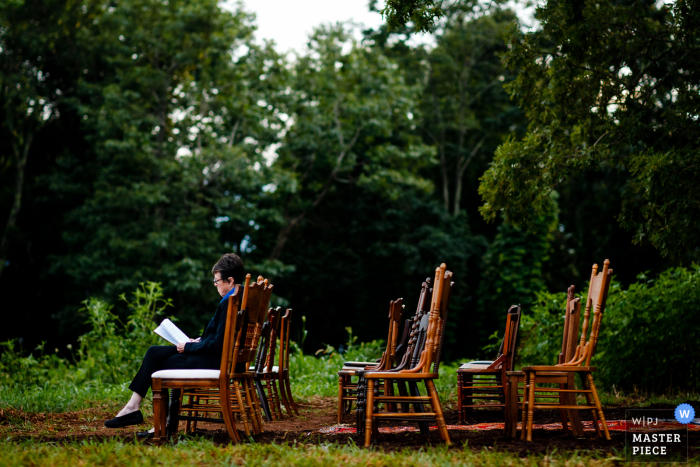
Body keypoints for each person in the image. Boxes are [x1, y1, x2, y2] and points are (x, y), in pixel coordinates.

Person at [104, 253, 245, 435]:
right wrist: (198, 341)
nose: (215, 285)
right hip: (218, 358)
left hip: (215, 361)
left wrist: (188, 347)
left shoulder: (230, 302)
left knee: (160, 365)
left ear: (230, 280)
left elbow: (219, 345)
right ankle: (133, 408)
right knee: (154, 352)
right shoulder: (239, 298)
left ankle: (161, 425)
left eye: (217, 281)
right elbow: (222, 338)